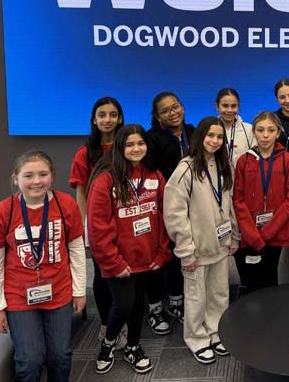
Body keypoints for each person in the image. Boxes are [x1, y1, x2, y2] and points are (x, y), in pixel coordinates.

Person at [88, 125, 171, 375]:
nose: (136, 149)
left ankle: (133, 346)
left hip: (147, 256)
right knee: (123, 305)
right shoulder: (106, 179)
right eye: (130, 144)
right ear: (120, 148)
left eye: (140, 143)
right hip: (119, 260)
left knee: (137, 305)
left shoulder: (155, 175)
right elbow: (98, 227)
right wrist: (113, 262)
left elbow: (165, 217)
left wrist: (162, 252)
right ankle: (108, 343)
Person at [0, 151, 86, 382]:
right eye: (28, 175)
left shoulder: (65, 204)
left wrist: (79, 290)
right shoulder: (6, 210)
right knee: (29, 360)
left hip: (59, 291)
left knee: (61, 356)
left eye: (43, 174)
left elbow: (77, 250)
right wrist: (0, 305)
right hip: (19, 296)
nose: (36, 181)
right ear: (16, 178)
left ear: (52, 176)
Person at [164, 117, 240, 365]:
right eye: (210, 136)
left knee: (219, 293)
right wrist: (185, 250)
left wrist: (234, 236)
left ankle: (216, 331)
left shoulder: (223, 166)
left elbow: (228, 205)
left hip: (220, 245)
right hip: (196, 250)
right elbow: (174, 215)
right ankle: (197, 338)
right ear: (200, 137)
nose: (215, 141)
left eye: (219, 137)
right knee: (196, 297)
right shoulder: (186, 168)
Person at [68, 96, 124, 345]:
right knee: (102, 273)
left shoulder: (128, 146)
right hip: (98, 222)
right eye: (102, 115)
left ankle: (122, 320)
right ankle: (105, 323)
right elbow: (80, 191)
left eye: (113, 115)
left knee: (124, 272)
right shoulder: (85, 153)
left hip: (125, 219)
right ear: (94, 120)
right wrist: (83, 225)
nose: (107, 120)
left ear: (120, 118)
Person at [233, 111, 289, 293]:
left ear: (278, 133)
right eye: (260, 130)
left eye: (271, 130)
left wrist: (268, 232)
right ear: (253, 131)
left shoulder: (288, 159)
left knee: (271, 279)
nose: (265, 135)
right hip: (250, 234)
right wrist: (252, 234)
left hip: (276, 233)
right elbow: (238, 199)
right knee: (251, 281)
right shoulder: (244, 161)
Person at [147, 91, 195, 327]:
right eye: (165, 111)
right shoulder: (151, 138)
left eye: (175, 107)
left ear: (182, 107)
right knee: (161, 253)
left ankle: (177, 302)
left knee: (182, 253)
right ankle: (155, 308)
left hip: (192, 204)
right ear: (158, 117)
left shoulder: (193, 132)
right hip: (163, 206)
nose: (173, 113)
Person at [215, 88, 255, 167]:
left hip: (244, 174)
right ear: (217, 106)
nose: (229, 110)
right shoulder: (210, 130)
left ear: (238, 106)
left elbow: (255, 159)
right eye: (225, 106)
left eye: (233, 106)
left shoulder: (249, 130)